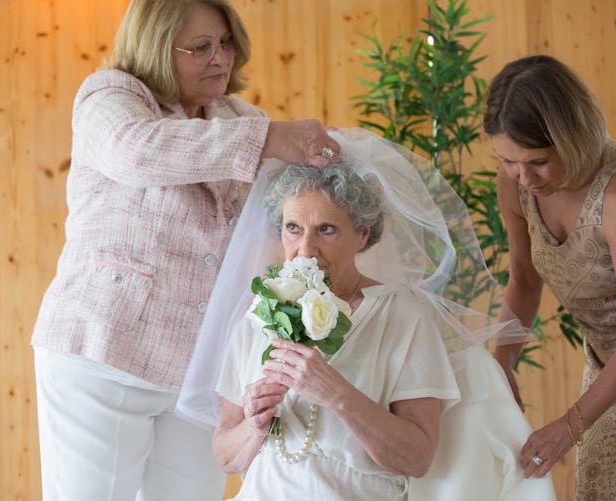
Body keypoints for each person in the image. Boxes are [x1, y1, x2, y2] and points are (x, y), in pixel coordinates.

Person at [30, 1, 340, 499]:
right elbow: (140, 150)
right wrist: (270, 137)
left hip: (200, 368)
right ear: (156, 47)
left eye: (226, 42)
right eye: (200, 47)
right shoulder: (110, 97)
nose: (220, 58)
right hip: (103, 350)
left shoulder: (242, 118)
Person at [177, 128, 557, 499]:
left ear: (363, 234)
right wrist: (256, 425)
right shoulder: (260, 314)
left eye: (326, 229)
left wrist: (336, 393)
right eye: (293, 228)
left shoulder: (404, 317)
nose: (305, 250)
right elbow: (225, 455)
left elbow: (418, 457)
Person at [485, 54, 616, 499]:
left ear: (572, 137)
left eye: (538, 161)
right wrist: (500, 364)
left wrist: (568, 426)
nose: (523, 177)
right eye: (508, 161)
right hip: (610, 363)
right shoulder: (517, 184)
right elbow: (524, 279)